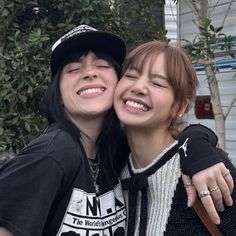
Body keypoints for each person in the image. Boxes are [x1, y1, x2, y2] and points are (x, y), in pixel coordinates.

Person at [0, 25, 233, 236]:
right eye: (131, 75)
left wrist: (197, 143)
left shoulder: (115, 156)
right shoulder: (52, 155)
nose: (139, 87)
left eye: (102, 65)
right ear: (57, 94)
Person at [114, 40, 236, 235]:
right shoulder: (112, 165)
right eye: (131, 75)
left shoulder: (205, 168)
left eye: (157, 83)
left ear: (179, 107)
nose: (138, 87)